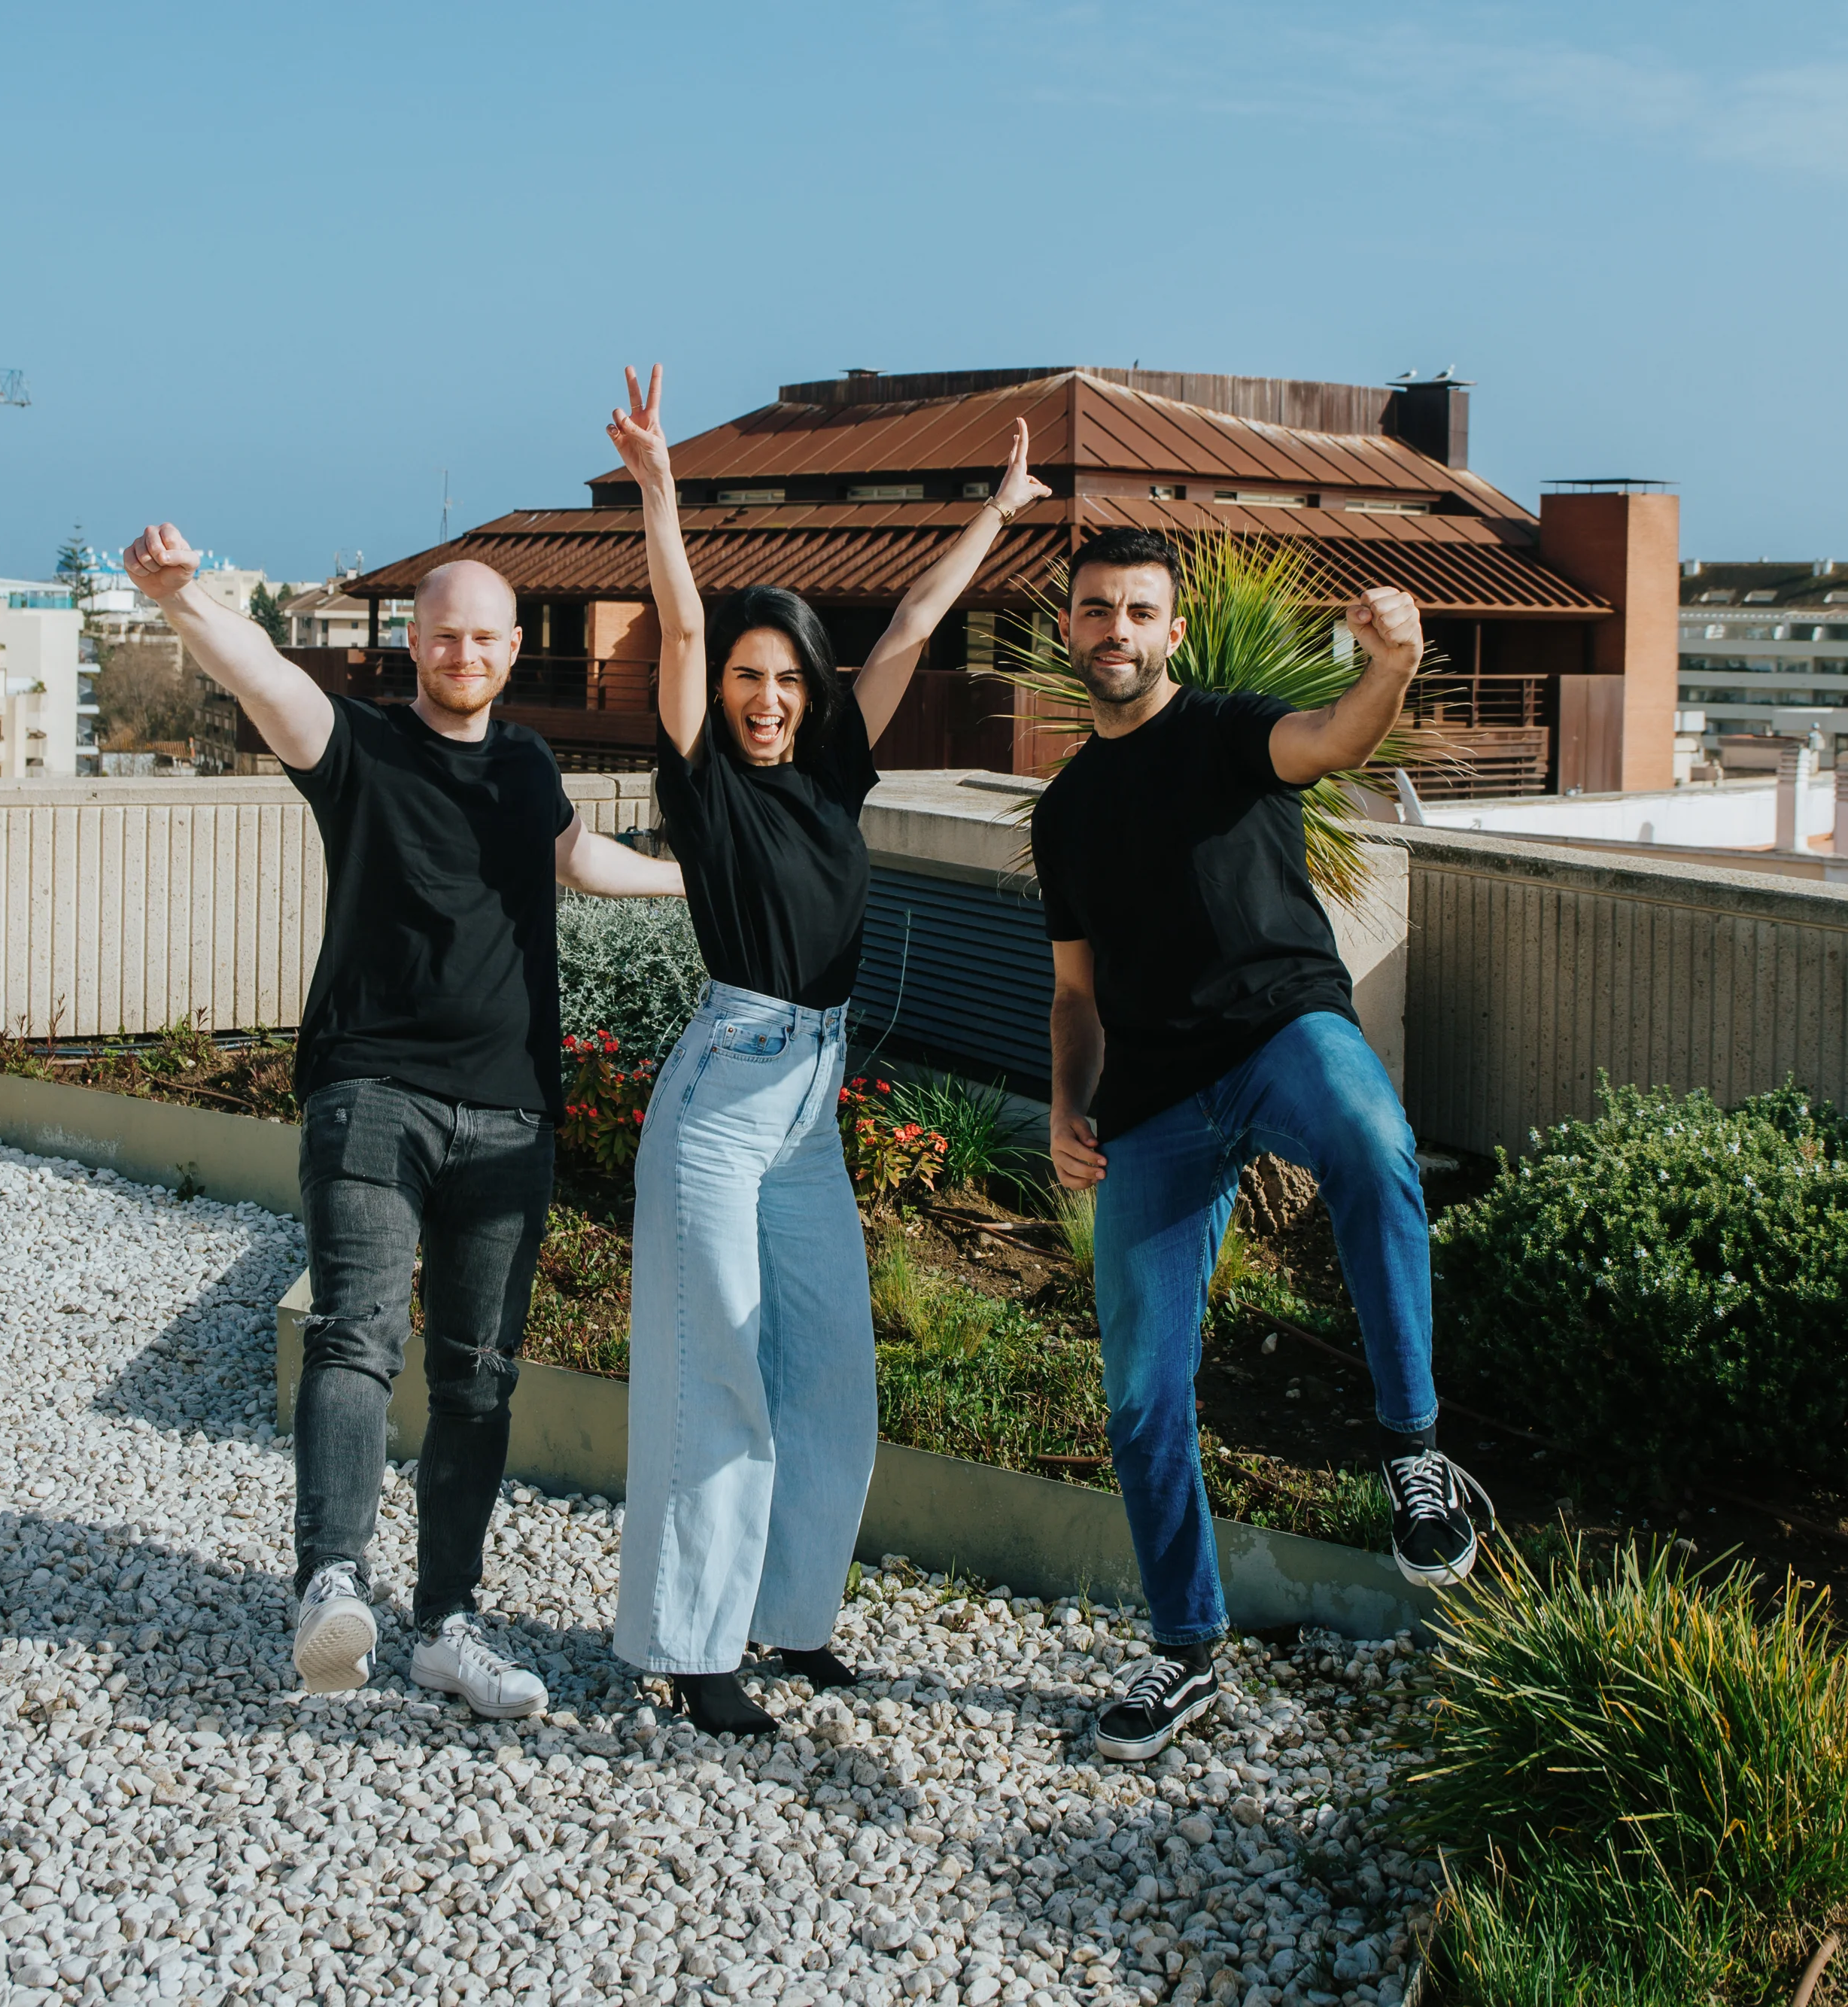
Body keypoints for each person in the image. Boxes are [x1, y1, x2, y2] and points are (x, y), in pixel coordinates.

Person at [121, 525, 685, 1716]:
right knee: (354, 1337)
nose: (463, 650)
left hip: (511, 1108)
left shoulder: (529, 766)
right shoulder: (359, 743)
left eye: (484, 635)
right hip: (371, 1089)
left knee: (480, 1378)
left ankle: (447, 1626)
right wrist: (187, 600)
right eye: (444, 633)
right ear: (413, 643)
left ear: (513, 647)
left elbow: (578, 857)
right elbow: (266, 676)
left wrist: (700, 877)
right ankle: (332, 1582)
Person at [600, 365, 1051, 1734]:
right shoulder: (706, 783)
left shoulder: (832, 774)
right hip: (723, 1097)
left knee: (830, 1372)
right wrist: (661, 486)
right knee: (718, 1369)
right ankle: (693, 1648)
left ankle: (788, 1617)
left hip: (807, 1105)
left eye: (787, 678)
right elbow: (677, 622)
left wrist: (997, 509)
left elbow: (913, 619)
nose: (768, 698)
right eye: (749, 677)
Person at [1032, 525, 1494, 1764]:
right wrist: (1068, 1105)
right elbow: (1076, 996)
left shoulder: (1229, 726)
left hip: (1282, 1028)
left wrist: (1390, 665)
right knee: (1138, 1395)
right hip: (1154, 1103)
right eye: (1094, 611)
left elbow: (1336, 738)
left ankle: (1411, 1453)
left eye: (1138, 611)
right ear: (1068, 629)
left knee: (1366, 1135)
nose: (1115, 631)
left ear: (1170, 631)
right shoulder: (1063, 811)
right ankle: (1184, 1650)